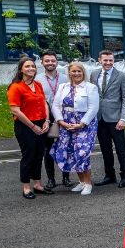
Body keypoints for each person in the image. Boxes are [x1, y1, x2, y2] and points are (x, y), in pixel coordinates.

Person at [50, 61, 99, 196]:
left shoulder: (90, 87)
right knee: (72, 153)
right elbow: (55, 106)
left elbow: (93, 108)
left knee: (82, 153)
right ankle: (81, 181)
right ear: (69, 73)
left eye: (79, 71)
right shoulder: (63, 87)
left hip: (85, 126)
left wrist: (82, 123)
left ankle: (88, 183)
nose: (76, 73)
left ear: (83, 73)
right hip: (66, 124)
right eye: (74, 71)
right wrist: (61, 121)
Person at [8, 57, 53, 199]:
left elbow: (44, 103)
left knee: (39, 154)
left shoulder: (38, 84)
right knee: (29, 156)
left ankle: (38, 184)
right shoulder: (15, 87)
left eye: (33, 66)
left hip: (41, 124)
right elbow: (16, 110)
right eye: (27, 66)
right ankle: (26, 187)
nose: (31, 69)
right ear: (21, 69)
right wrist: (33, 126)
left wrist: (47, 120)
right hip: (25, 126)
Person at [90, 49, 125, 188]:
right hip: (100, 118)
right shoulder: (94, 75)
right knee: (105, 149)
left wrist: (123, 119)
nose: (108, 63)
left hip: (116, 119)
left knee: (121, 149)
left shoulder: (122, 76)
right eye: (105, 60)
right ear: (99, 60)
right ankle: (110, 175)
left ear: (113, 61)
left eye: (110, 60)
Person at [36, 50, 69, 188]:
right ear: (42, 62)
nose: (50, 63)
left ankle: (66, 177)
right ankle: (51, 179)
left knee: (65, 147)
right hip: (46, 116)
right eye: (47, 61)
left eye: (53, 60)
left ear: (57, 62)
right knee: (48, 149)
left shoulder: (65, 78)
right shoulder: (37, 79)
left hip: (64, 115)